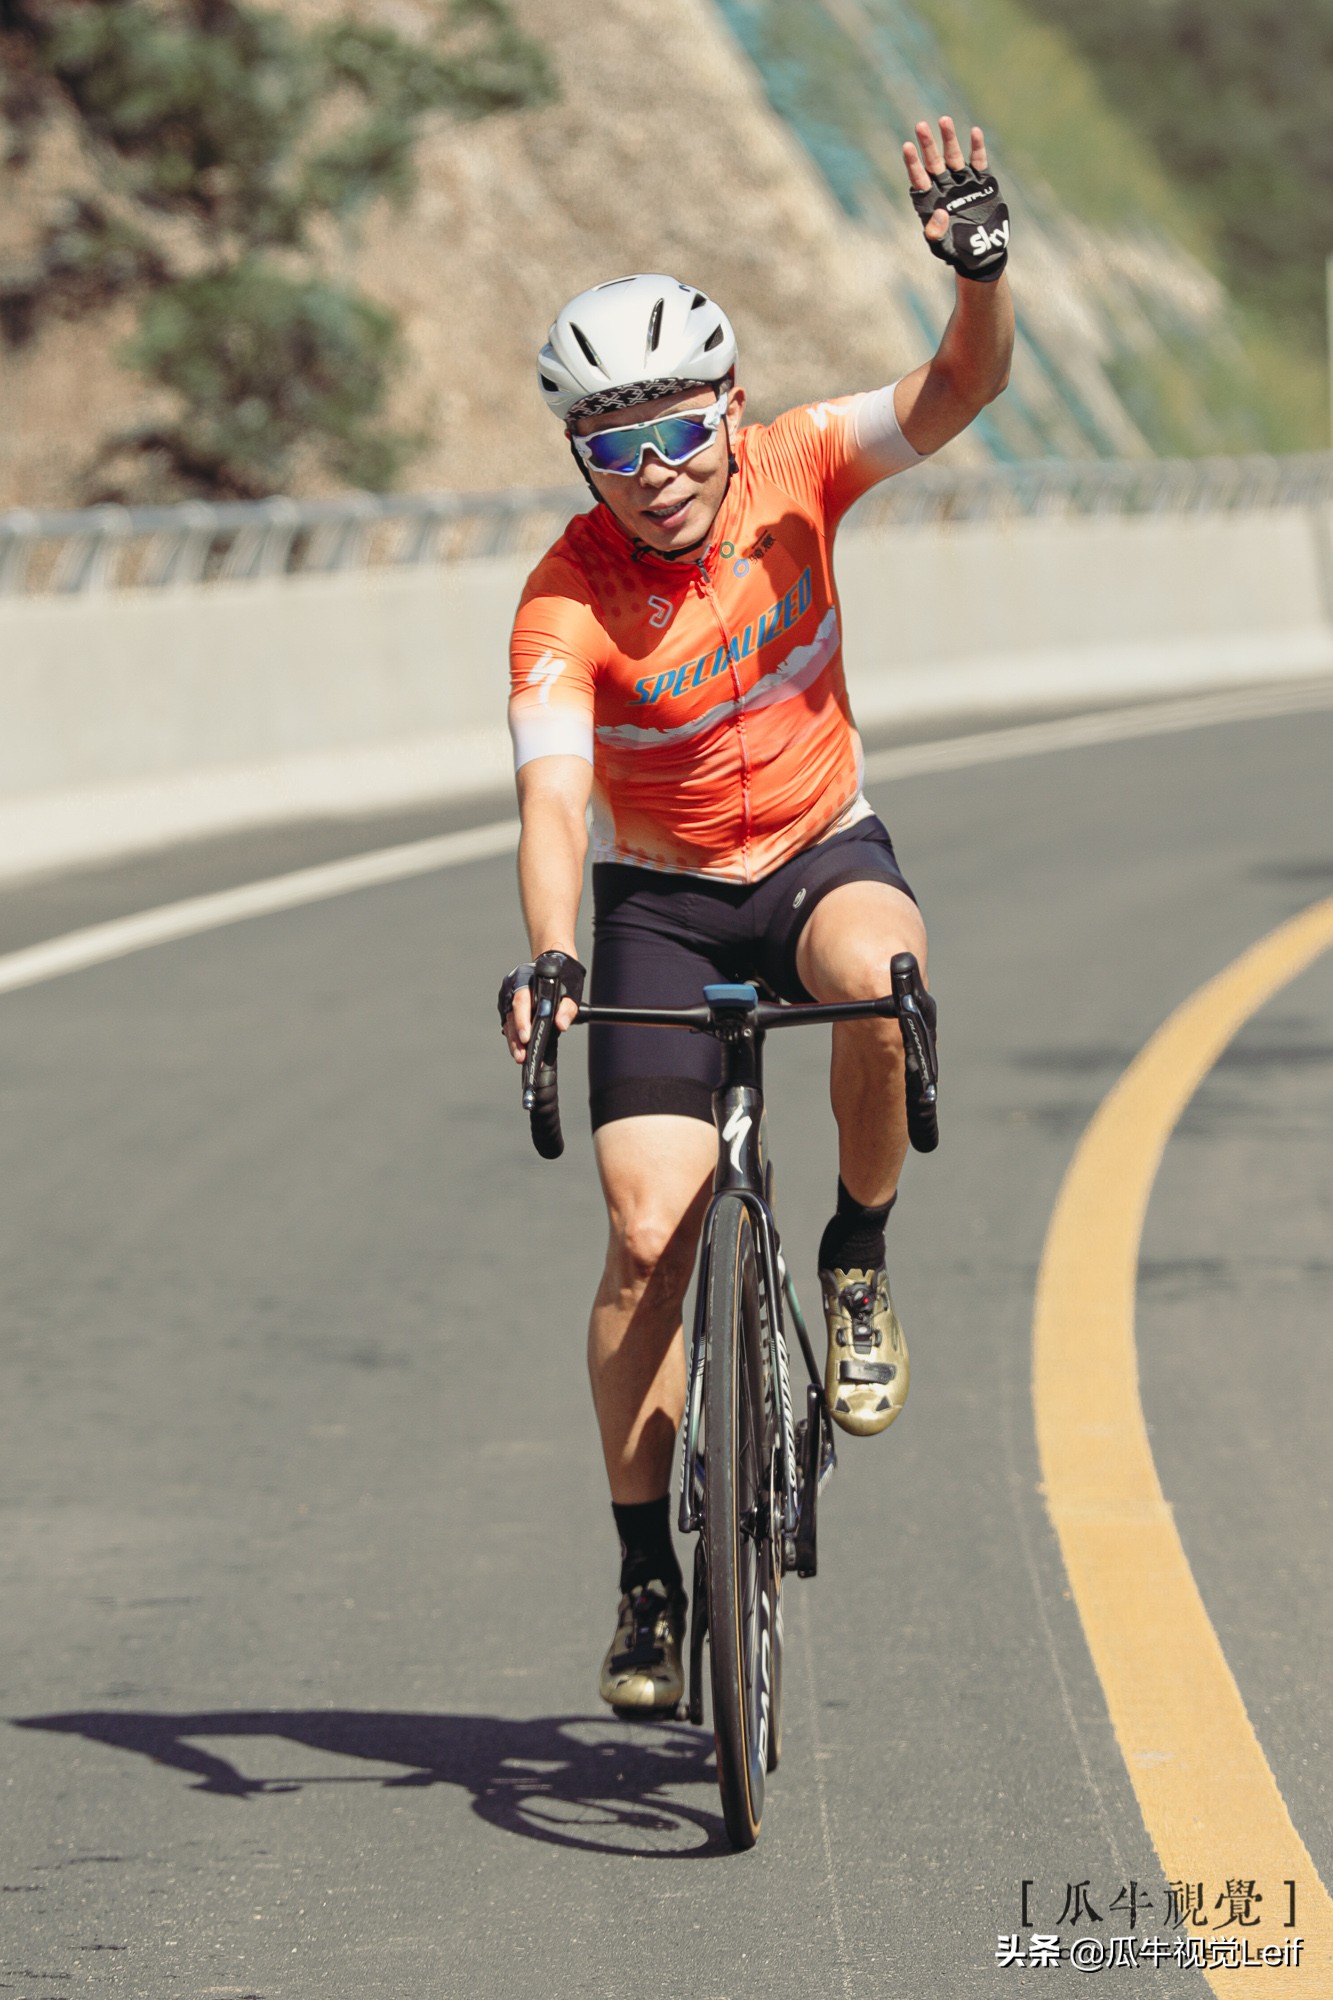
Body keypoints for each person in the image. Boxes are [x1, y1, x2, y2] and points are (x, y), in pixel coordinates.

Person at [500, 118, 1014, 1714]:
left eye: (673, 432)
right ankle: (647, 1577)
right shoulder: (562, 594)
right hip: (656, 903)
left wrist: (978, 276)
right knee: (646, 1230)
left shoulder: (799, 467)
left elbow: (959, 392)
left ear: (727, 408)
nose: (651, 475)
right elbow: (553, 801)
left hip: (811, 851)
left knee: (884, 984)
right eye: (611, 445)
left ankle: (855, 1258)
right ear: (580, 456)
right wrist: (553, 955)